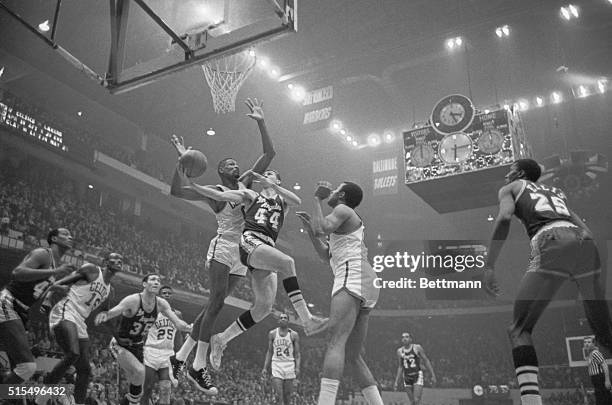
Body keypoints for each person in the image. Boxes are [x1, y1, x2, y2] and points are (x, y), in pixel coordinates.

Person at [483, 158, 612, 405]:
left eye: (509, 170)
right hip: (585, 244)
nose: (506, 175)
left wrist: (489, 266)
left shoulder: (510, 188)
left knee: (519, 330)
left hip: (551, 238)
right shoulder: (556, 191)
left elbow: (504, 219)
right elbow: (586, 230)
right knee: (604, 333)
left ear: (519, 173)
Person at [169, 98, 275, 393]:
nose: (235, 164)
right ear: (219, 171)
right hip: (224, 247)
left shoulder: (245, 185)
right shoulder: (216, 192)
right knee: (215, 303)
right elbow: (176, 191)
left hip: (243, 253)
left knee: (213, 306)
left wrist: (261, 121)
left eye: (235, 162)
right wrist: (182, 162)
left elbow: (270, 153)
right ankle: (198, 366)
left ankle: (178, 358)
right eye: (228, 163)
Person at [186, 169, 327, 371]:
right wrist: (193, 185)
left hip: (267, 248)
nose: (266, 175)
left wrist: (274, 186)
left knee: (263, 308)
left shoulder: (283, 201)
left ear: (278, 180)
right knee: (287, 263)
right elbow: (219, 195)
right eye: (266, 173)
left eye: (271, 174)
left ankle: (221, 339)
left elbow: (297, 200)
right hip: (250, 241)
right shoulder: (252, 195)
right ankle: (307, 320)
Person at [297, 181, 383, 405]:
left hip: (352, 275)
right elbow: (326, 256)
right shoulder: (346, 219)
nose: (332, 192)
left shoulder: (343, 209)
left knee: (335, 342)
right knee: (353, 357)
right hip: (365, 281)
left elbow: (321, 228)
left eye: (336, 190)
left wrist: (317, 199)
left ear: (342, 195)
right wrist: (310, 233)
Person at [38, 253, 123, 405]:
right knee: (73, 353)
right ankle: (42, 396)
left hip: (80, 321)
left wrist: (119, 337)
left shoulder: (111, 291)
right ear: (105, 261)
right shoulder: (91, 270)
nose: (118, 262)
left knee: (85, 370)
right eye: (115, 259)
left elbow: (106, 316)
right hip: (66, 310)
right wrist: (47, 298)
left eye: (121, 261)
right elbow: (61, 282)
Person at [94, 274, 191, 405]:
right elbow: (114, 313)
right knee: (140, 373)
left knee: (137, 386)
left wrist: (191, 328)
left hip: (138, 346)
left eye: (158, 280)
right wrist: (104, 314)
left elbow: (179, 324)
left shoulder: (161, 304)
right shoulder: (133, 300)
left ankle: (128, 402)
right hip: (121, 344)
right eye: (152, 279)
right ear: (144, 284)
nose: (156, 282)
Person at [0, 228, 74, 384]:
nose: (70, 237)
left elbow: (37, 285)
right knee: (27, 367)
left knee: (20, 370)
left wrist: (55, 288)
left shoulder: (55, 262)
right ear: (54, 238)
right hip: (9, 303)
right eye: (65, 235)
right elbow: (17, 272)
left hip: (21, 311)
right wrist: (55, 271)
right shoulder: (43, 254)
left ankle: (6, 396)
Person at [141, 285, 185, 405]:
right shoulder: (150, 312)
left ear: (172, 297)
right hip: (151, 351)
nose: (166, 295)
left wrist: (180, 356)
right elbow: (143, 333)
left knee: (166, 389)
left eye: (169, 293)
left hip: (167, 354)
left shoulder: (178, 314)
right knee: (147, 388)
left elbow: (178, 336)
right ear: (159, 296)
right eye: (164, 293)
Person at [262, 313, 300, 405]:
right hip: (276, 364)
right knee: (279, 394)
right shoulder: (272, 333)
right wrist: (265, 367)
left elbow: (297, 353)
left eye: (285, 318)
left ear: (288, 321)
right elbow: (270, 351)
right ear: (278, 320)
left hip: (289, 364)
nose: (283, 319)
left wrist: (297, 367)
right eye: (281, 318)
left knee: (287, 395)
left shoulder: (294, 335)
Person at [392, 332, 436, 405]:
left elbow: (426, 360)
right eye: (403, 337)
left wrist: (432, 375)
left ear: (410, 339)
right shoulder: (399, 351)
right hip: (406, 376)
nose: (404, 339)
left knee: (416, 400)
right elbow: (400, 366)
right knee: (412, 402)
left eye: (406, 337)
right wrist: (396, 381)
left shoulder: (417, 347)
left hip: (417, 375)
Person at [584, 336, 612, 405]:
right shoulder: (590, 354)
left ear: (593, 343)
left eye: (589, 342)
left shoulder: (595, 353)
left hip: (600, 377)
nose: (587, 344)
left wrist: (607, 380)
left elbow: (604, 365)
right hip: (596, 380)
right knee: (601, 399)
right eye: (585, 342)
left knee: (605, 400)